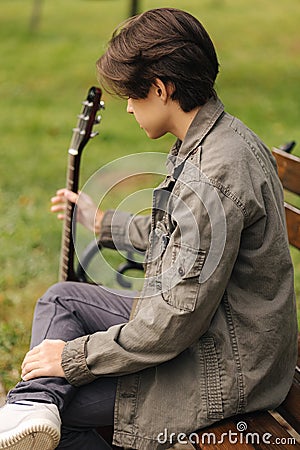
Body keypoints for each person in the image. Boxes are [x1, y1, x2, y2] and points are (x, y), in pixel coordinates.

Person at [0, 7, 298, 450]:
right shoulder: (212, 137)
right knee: (63, 299)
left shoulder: (213, 178)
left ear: (160, 89)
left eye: (132, 96)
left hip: (224, 369)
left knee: (68, 411)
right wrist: (105, 224)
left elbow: (173, 324)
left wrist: (73, 358)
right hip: (218, 331)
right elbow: (177, 237)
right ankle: (33, 404)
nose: (126, 106)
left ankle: (34, 405)